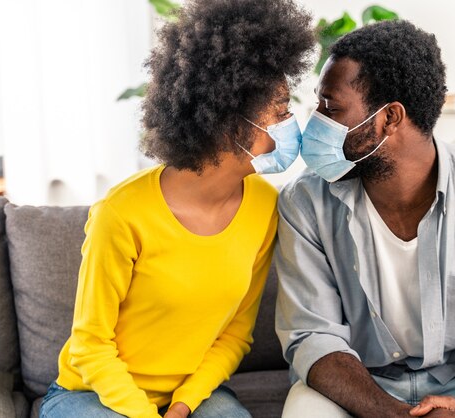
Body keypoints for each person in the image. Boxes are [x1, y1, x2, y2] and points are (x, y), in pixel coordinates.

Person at [38, 1, 314, 418]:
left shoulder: (266, 206)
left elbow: (236, 335)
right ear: (228, 119)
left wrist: (184, 405)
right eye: (279, 110)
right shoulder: (121, 212)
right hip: (91, 394)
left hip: (192, 396)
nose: (290, 121)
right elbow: (90, 345)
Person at [275, 20, 455, 418]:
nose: (314, 120)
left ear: (390, 119)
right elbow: (312, 336)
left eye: (330, 107)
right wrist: (397, 415)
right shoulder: (305, 201)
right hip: (361, 380)